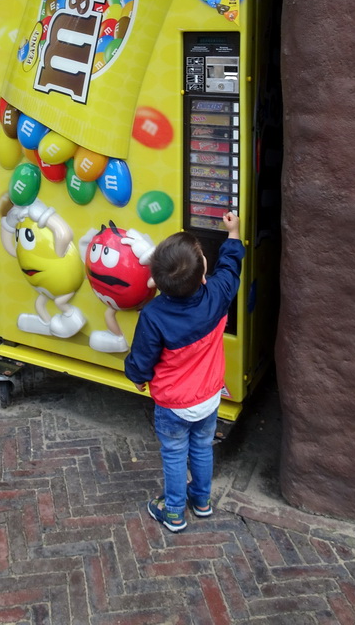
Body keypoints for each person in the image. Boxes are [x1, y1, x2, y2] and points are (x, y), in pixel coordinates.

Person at [124, 212, 244, 532]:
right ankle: (201, 501)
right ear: (204, 272)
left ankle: (175, 511)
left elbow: (142, 358)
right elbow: (231, 267)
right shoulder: (217, 295)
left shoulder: (153, 315)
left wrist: (136, 377)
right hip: (209, 397)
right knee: (202, 447)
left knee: (175, 454)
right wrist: (234, 232)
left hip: (174, 404)